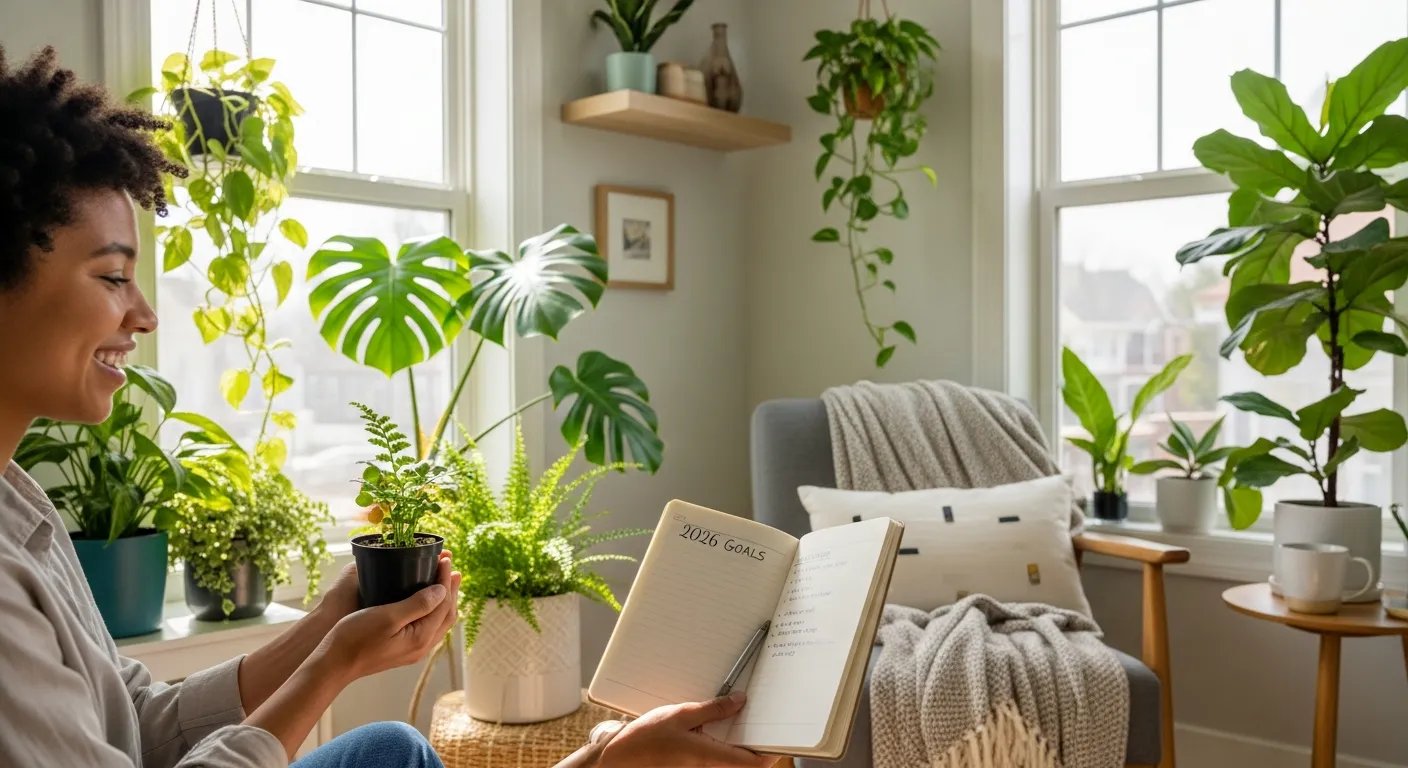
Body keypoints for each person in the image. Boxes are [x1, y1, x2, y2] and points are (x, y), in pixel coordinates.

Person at [0, 46, 774, 768]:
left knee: (388, 748)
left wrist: (323, 631)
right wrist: (336, 665)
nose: (144, 314)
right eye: (111, 278)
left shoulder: (20, 502)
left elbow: (136, 723)